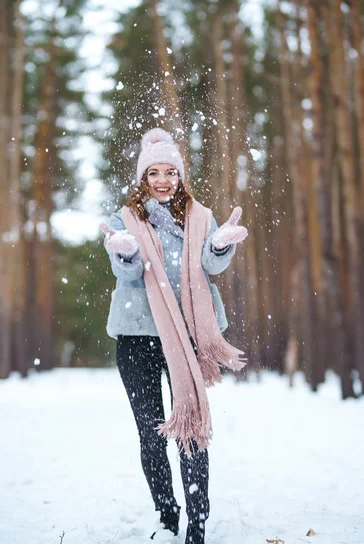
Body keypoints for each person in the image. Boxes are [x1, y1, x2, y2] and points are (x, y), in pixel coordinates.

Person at [100, 128, 248, 544]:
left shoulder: (200, 217)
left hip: (188, 336)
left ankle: (196, 524)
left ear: (181, 176)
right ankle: (167, 517)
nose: (163, 181)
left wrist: (219, 246)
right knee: (151, 433)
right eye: (154, 173)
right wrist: (126, 251)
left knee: (191, 427)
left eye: (170, 172)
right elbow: (126, 273)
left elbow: (210, 268)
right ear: (142, 178)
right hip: (138, 337)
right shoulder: (125, 220)